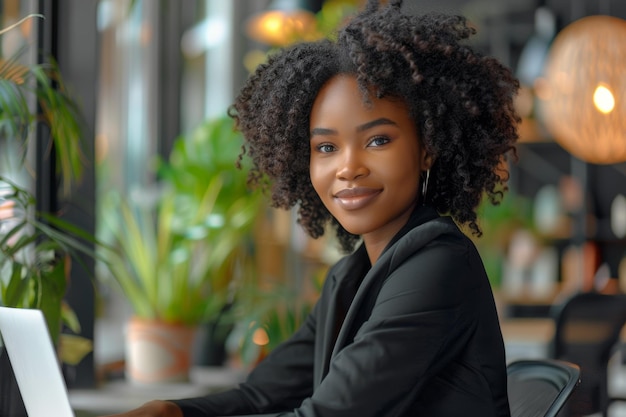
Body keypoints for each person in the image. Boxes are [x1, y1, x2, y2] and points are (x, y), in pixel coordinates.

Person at [105, 0, 520, 416]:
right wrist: (173, 411)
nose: (348, 168)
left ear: (427, 149)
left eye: (378, 140)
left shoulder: (438, 265)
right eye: (326, 147)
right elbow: (260, 395)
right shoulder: (350, 278)